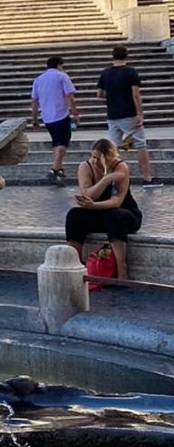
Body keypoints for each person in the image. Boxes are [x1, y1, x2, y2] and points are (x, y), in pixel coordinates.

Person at [65, 138, 142, 280]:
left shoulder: (121, 167)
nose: (93, 161)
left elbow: (116, 202)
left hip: (126, 214)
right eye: (92, 156)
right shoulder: (85, 167)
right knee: (74, 215)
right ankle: (74, 263)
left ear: (107, 158)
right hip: (99, 213)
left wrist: (93, 205)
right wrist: (105, 180)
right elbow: (88, 195)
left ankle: (122, 270)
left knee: (113, 215)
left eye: (97, 158)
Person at [97, 45, 159, 187]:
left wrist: (112, 95)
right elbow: (135, 94)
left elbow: (99, 94)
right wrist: (140, 113)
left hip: (112, 115)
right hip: (129, 114)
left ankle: (111, 179)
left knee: (114, 148)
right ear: (126, 56)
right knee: (140, 145)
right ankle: (147, 178)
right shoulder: (130, 72)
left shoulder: (105, 73)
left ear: (112, 57)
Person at [31, 56, 80, 185]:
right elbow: (69, 95)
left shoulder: (38, 80)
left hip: (47, 116)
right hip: (61, 114)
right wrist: (74, 112)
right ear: (59, 65)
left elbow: (34, 100)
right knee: (63, 142)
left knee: (56, 142)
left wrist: (34, 118)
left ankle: (59, 168)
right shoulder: (62, 76)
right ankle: (54, 169)